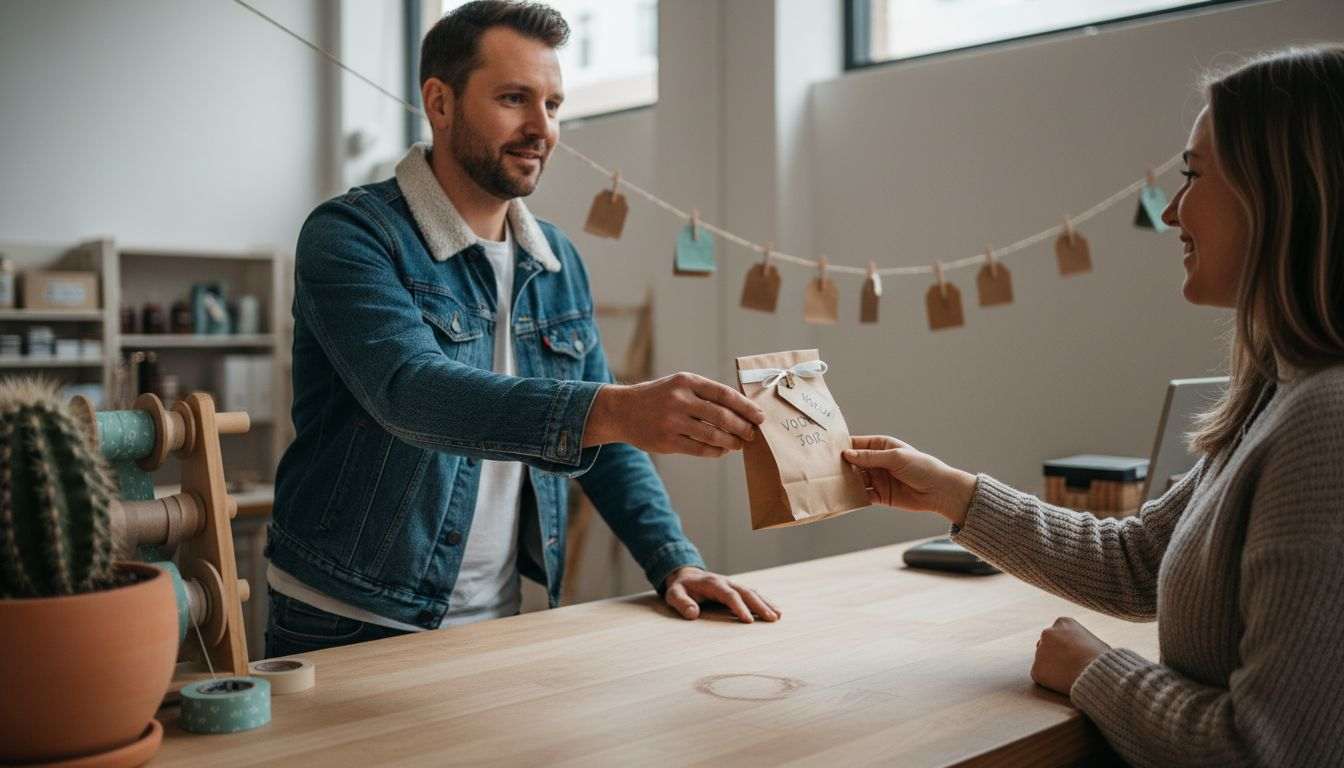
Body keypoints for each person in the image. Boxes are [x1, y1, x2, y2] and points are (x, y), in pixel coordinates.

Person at [844, 46, 1344, 767]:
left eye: (1194, 175)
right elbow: (1140, 561)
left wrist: (1096, 671)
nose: (1172, 209)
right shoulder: (1280, 389)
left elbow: (1264, 752)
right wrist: (953, 492)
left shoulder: (1325, 423)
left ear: (1280, 193)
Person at [264, 0, 778, 657]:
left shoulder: (556, 261)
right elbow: (411, 393)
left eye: (554, 105)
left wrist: (674, 560)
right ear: (440, 102)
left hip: (502, 615)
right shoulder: (351, 235)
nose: (542, 128)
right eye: (514, 98)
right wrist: (613, 407)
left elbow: (608, 442)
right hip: (345, 616)